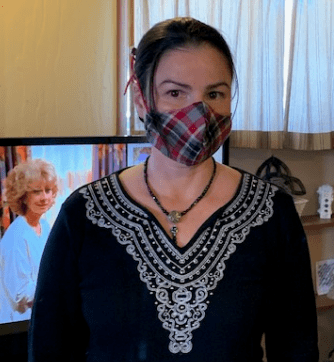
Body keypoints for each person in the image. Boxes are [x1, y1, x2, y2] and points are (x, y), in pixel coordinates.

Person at [28, 17, 319, 361]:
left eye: (214, 94)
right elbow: (50, 348)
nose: (199, 114)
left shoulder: (273, 213)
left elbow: (297, 348)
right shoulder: (83, 215)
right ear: (140, 98)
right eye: (175, 92)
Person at [0, 158, 58, 323]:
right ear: (23, 197)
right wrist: (58, 283)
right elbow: (20, 295)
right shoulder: (16, 236)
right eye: (36, 192)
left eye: (48, 190)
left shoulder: (44, 226)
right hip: (19, 324)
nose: (44, 198)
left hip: (42, 317)